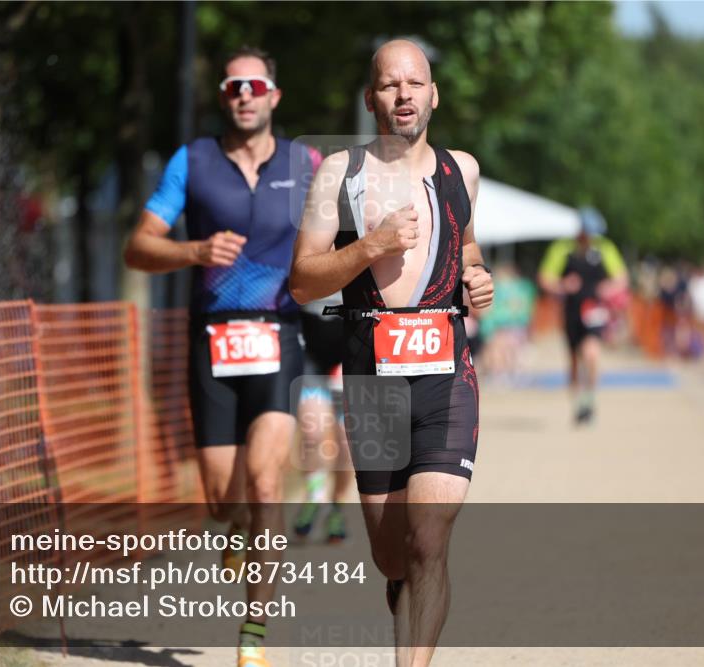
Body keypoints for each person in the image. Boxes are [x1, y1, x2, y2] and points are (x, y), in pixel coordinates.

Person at [289, 39, 494, 667]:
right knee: (391, 553)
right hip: (373, 381)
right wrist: (370, 245)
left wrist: (478, 277)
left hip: (445, 376)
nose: (403, 95)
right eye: (388, 85)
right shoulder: (340, 174)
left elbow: (468, 248)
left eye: (414, 83)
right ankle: (401, 588)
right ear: (371, 97)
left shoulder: (463, 171)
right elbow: (303, 280)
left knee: (429, 538)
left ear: (434, 94)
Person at [124, 46, 318, 667]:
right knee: (220, 500)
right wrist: (195, 252)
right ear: (223, 95)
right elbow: (137, 247)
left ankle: (252, 640)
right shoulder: (194, 161)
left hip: (280, 335)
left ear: (274, 96)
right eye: (234, 85)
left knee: (266, 481)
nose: (245, 94)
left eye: (256, 84)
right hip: (211, 341)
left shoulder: (305, 163)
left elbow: (342, 236)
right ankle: (237, 534)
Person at [538, 208, 628, 424]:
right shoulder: (563, 249)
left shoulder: (605, 249)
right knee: (574, 362)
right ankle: (578, 404)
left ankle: (590, 399)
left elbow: (621, 279)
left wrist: (608, 288)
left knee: (592, 354)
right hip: (571, 312)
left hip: (594, 311)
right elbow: (545, 278)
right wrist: (562, 286)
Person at [294, 293, 352, 542]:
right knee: (313, 432)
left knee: (348, 445)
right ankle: (315, 497)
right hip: (310, 351)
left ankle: (337, 507)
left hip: (349, 351)